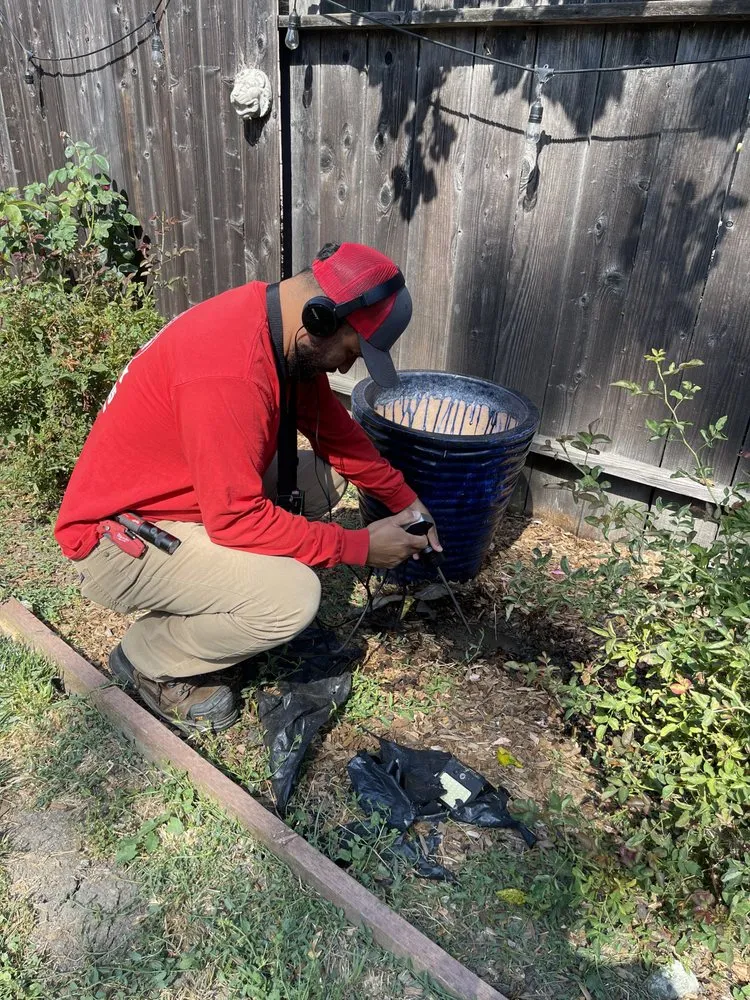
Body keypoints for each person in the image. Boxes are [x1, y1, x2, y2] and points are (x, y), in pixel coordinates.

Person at [54, 241, 441, 733]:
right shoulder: (230, 369)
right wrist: (359, 547)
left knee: (326, 477)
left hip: (187, 495)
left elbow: (336, 434)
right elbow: (235, 517)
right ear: (322, 319)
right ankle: (150, 656)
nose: (347, 367)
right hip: (116, 540)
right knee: (292, 598)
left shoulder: (276, 325)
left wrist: (405, 500)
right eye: (352, 351)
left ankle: (218, 586)